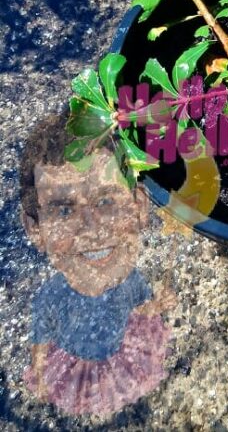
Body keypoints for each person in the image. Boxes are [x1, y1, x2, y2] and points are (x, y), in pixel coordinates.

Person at [19, 111, 175, 418]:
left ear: (140, 206)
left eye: (106, 201)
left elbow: (138, 311)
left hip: (123, 354)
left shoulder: (132, 282)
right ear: (34, 229)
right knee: (83, 401)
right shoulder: (51, 296)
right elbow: (41, 336)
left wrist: (156, 306)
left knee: (126, 390)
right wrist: (38, 369)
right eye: (63, 211)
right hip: (78, 366)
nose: (91, 229)